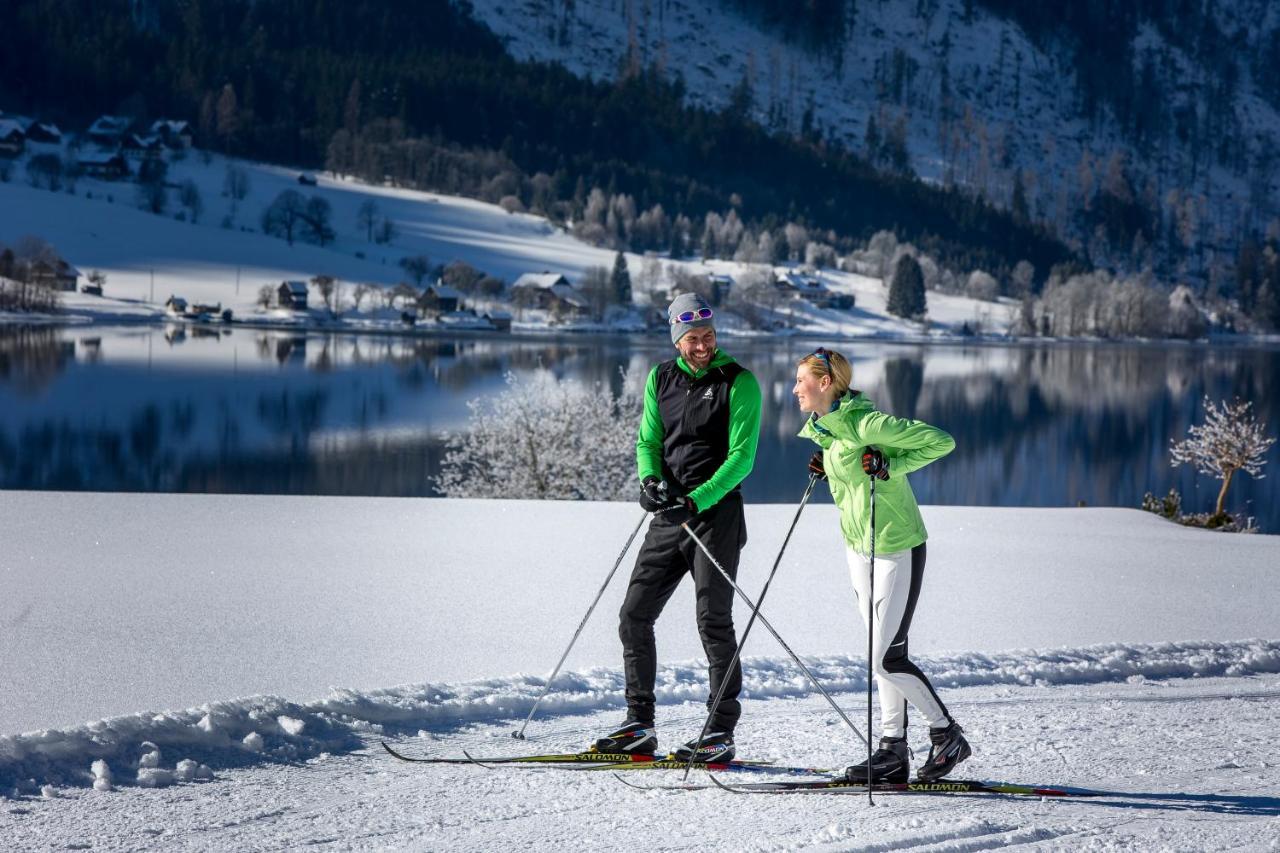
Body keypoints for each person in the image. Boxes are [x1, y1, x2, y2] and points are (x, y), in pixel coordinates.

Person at [591, 292, 762, 763]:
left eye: (708, 336)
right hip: (670, 517)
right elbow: (649, 440)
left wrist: (696, 499)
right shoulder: (660, 377)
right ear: (676, 339)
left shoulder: (738, 382)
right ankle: (639, 725)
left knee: (713, 621)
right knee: (634, 615)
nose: (703, 345)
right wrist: (650, 481)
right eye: (692, 339)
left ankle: (719, 731)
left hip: (716, 518)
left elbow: (741, 458)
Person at [793, 346, 970, 783]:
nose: (796, 389)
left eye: (802, 381)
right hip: (859, 549)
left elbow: (940, 441)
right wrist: (829, 464)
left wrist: (891, 465)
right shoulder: (828, 430)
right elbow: (850, 464)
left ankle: (946, 734)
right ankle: (893, 751)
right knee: (884, 654)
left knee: (885, 659)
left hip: (896, 546)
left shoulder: (867, 423)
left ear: (826, 383)